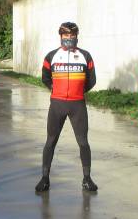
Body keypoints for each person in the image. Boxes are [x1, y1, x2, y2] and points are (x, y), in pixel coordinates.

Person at [37, 21, 97, 192]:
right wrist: (55, 89)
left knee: (83, 142)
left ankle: (87, 179)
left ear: (77, 36)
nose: (69, 38)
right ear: (61, 36)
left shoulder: (85, 56)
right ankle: (44, 178)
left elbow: (92, 80)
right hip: (57, 104)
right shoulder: (51, 56)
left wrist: (78, 91)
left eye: (72, 35)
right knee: (50, 141)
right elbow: (45, 77)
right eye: (66, 35)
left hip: (78, 105)